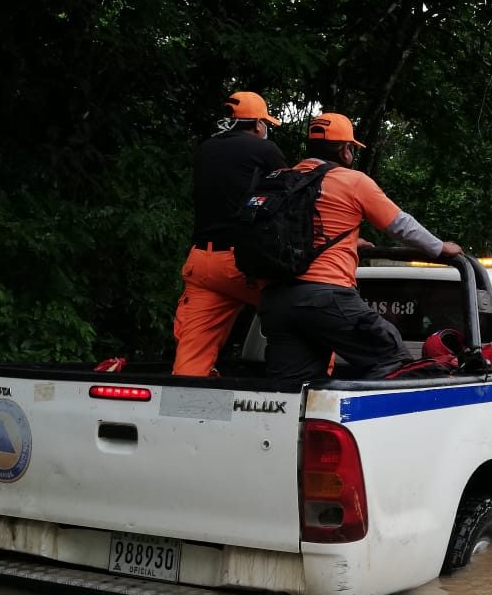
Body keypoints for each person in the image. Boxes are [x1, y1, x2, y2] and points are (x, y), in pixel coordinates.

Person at [257, 112, 463, 383]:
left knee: (292, 389)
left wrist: (350, 241)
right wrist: (440, 248)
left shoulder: (283, 180)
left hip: (276, 300)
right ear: (345, 150)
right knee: (390, 357)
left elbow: (299, 232)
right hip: (326, 297)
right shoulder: (352, 181)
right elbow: (400, 224)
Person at [172, 91, 287, 375]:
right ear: (259, 124)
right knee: (308, 316)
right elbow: (290, 199)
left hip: (202, 263)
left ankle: (185, 406)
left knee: (192, 357)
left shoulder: (205, 149)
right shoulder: (265, 150)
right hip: (245, 264)